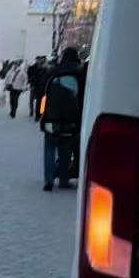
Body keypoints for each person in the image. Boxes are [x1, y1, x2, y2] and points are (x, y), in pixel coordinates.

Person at [39, 45, 85, 190]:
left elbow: (42, 92)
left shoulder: (53, 72)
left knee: (49, 148)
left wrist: (42, 115)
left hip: (51, 117)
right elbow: (83, 97)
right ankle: (64, 179)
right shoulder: (80, 74)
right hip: (71, 119)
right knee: (65, 148)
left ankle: (49, 180)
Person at [28, 54, 48, 122]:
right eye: (38, 60)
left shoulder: (45, 69)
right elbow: (31, 77)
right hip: (35, 86)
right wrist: (31, 83)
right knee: (32, 100)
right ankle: (33, 113)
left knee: (41, 101)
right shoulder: (33, 68)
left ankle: (40, 114)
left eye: (41, 60)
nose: (39, 61)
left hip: (43, 87)